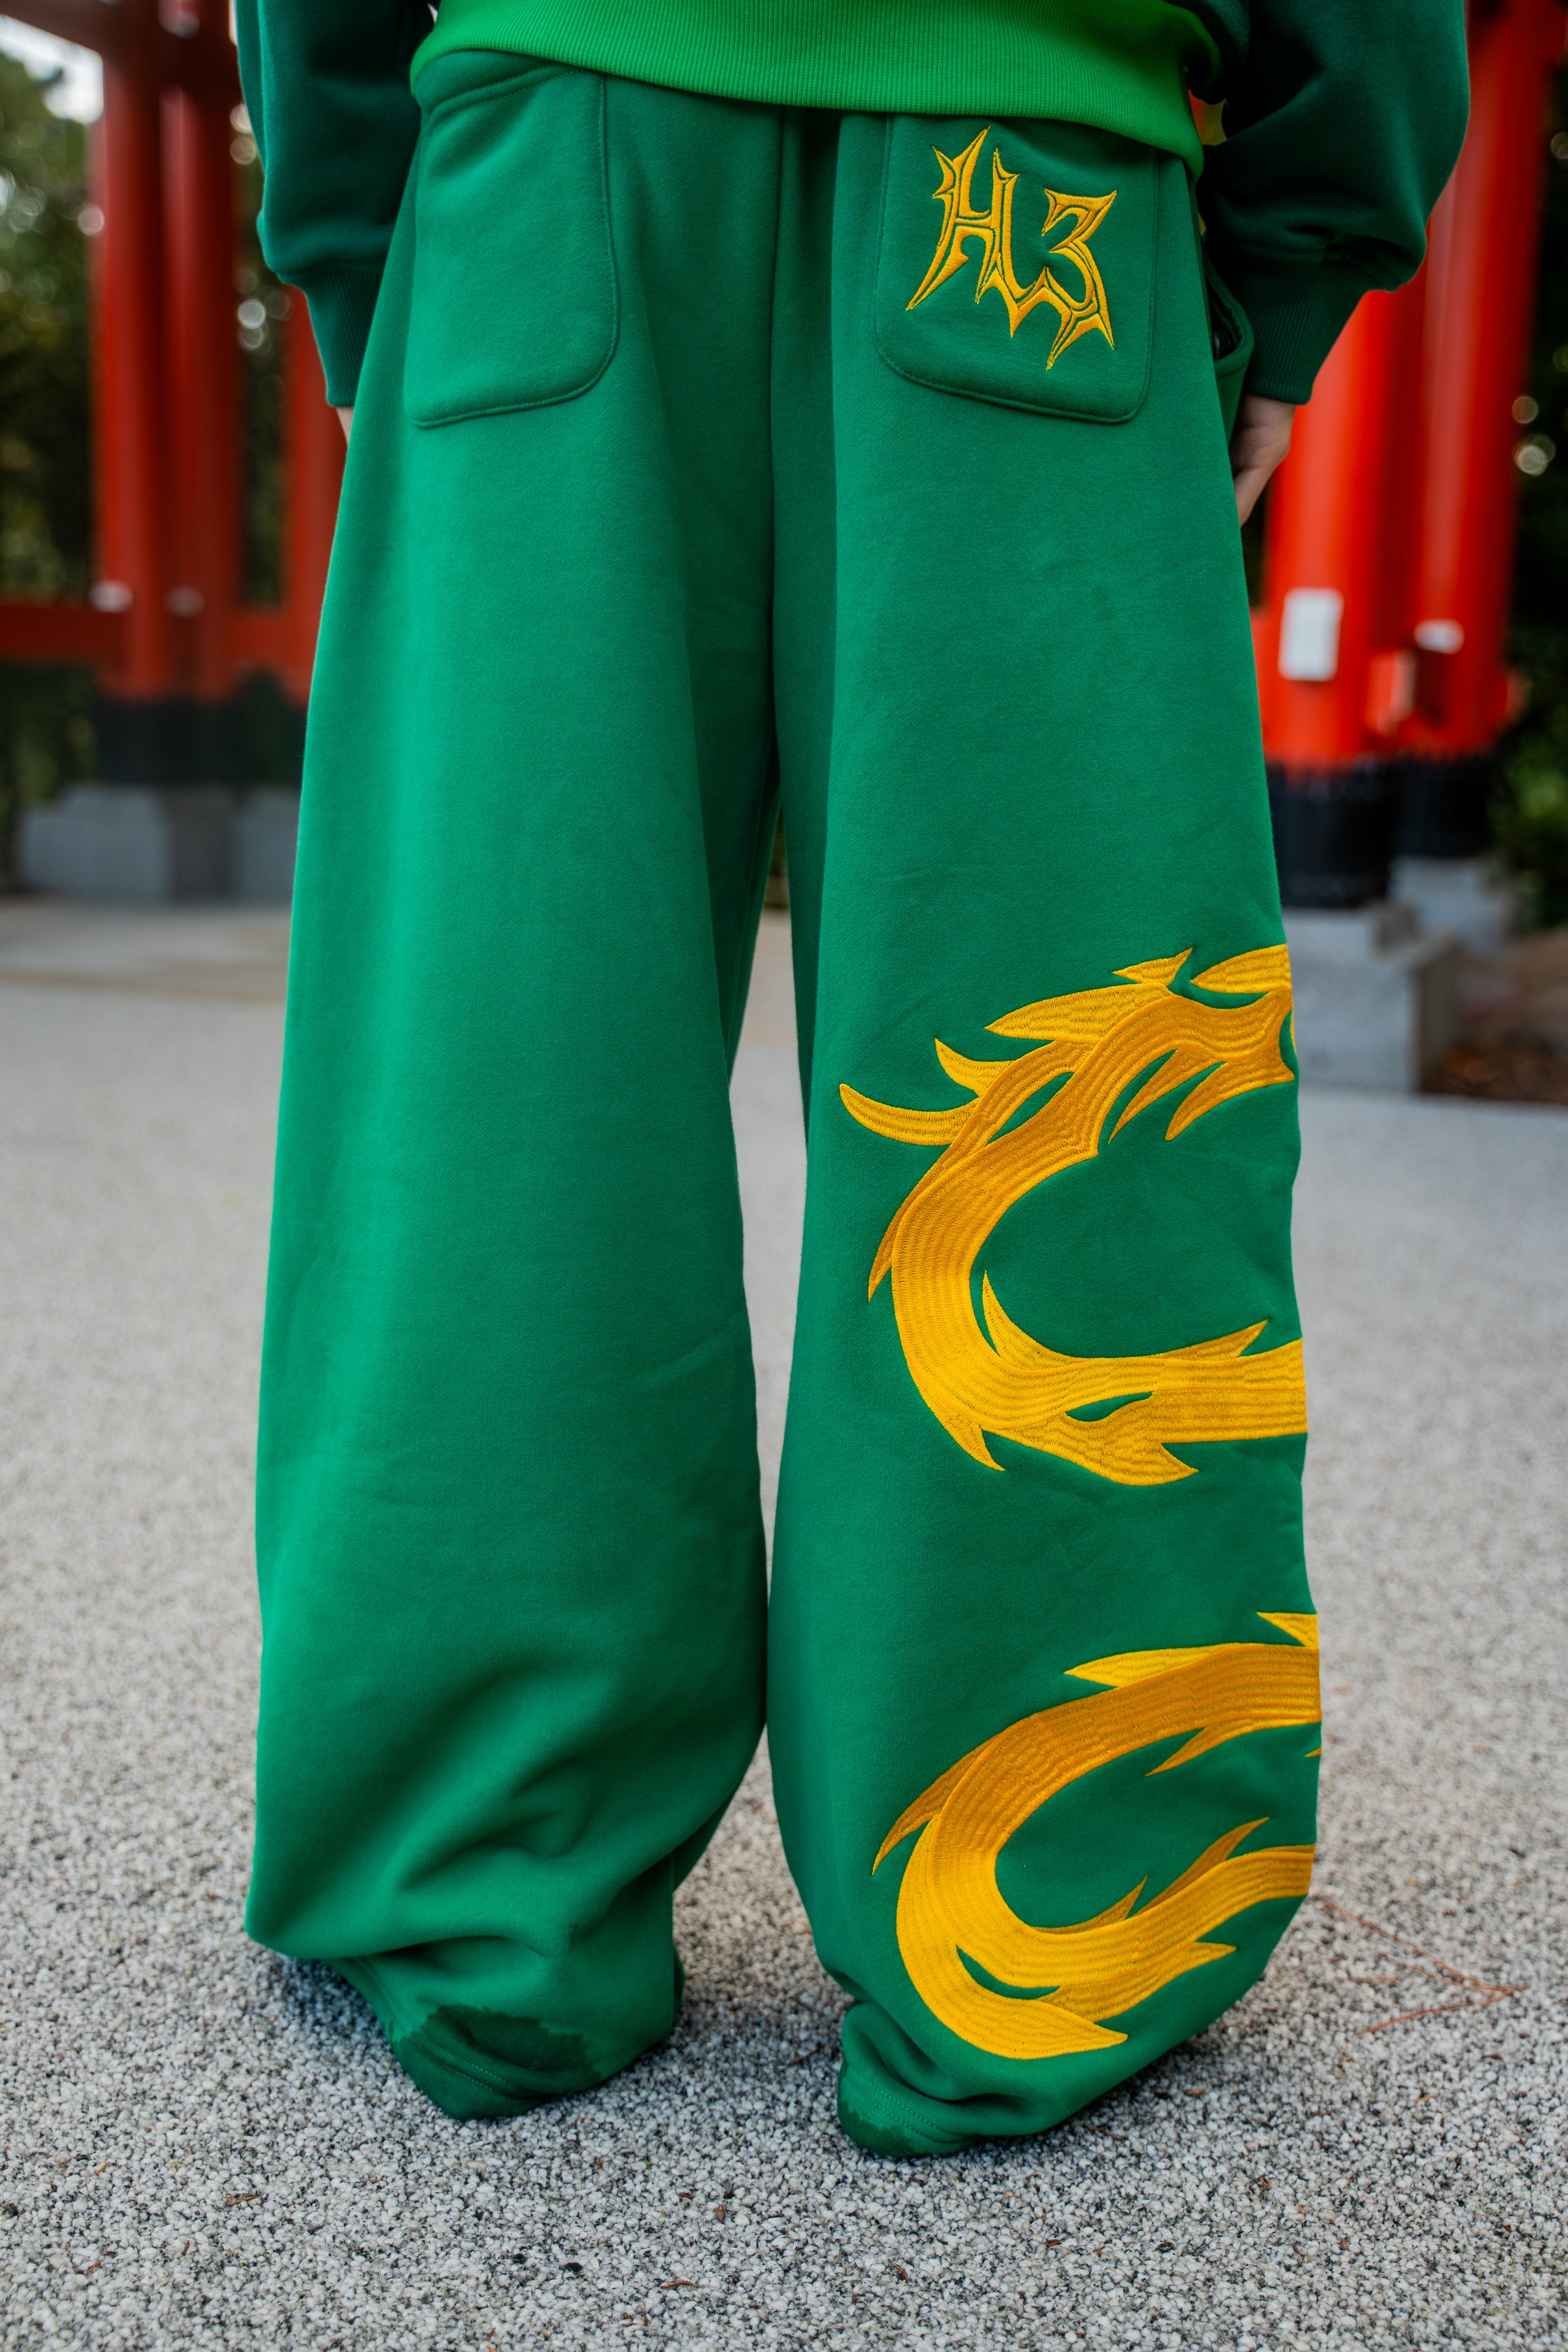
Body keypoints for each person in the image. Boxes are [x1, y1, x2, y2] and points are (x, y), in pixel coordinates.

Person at [235, 0, 1467, 2154]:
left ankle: (472, 1885)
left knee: (495, 1083)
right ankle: (1046, 1906)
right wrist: (1291, 258)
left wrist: (359, 239)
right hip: (1026, 182)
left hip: (547, 170)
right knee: (1049, 1071)